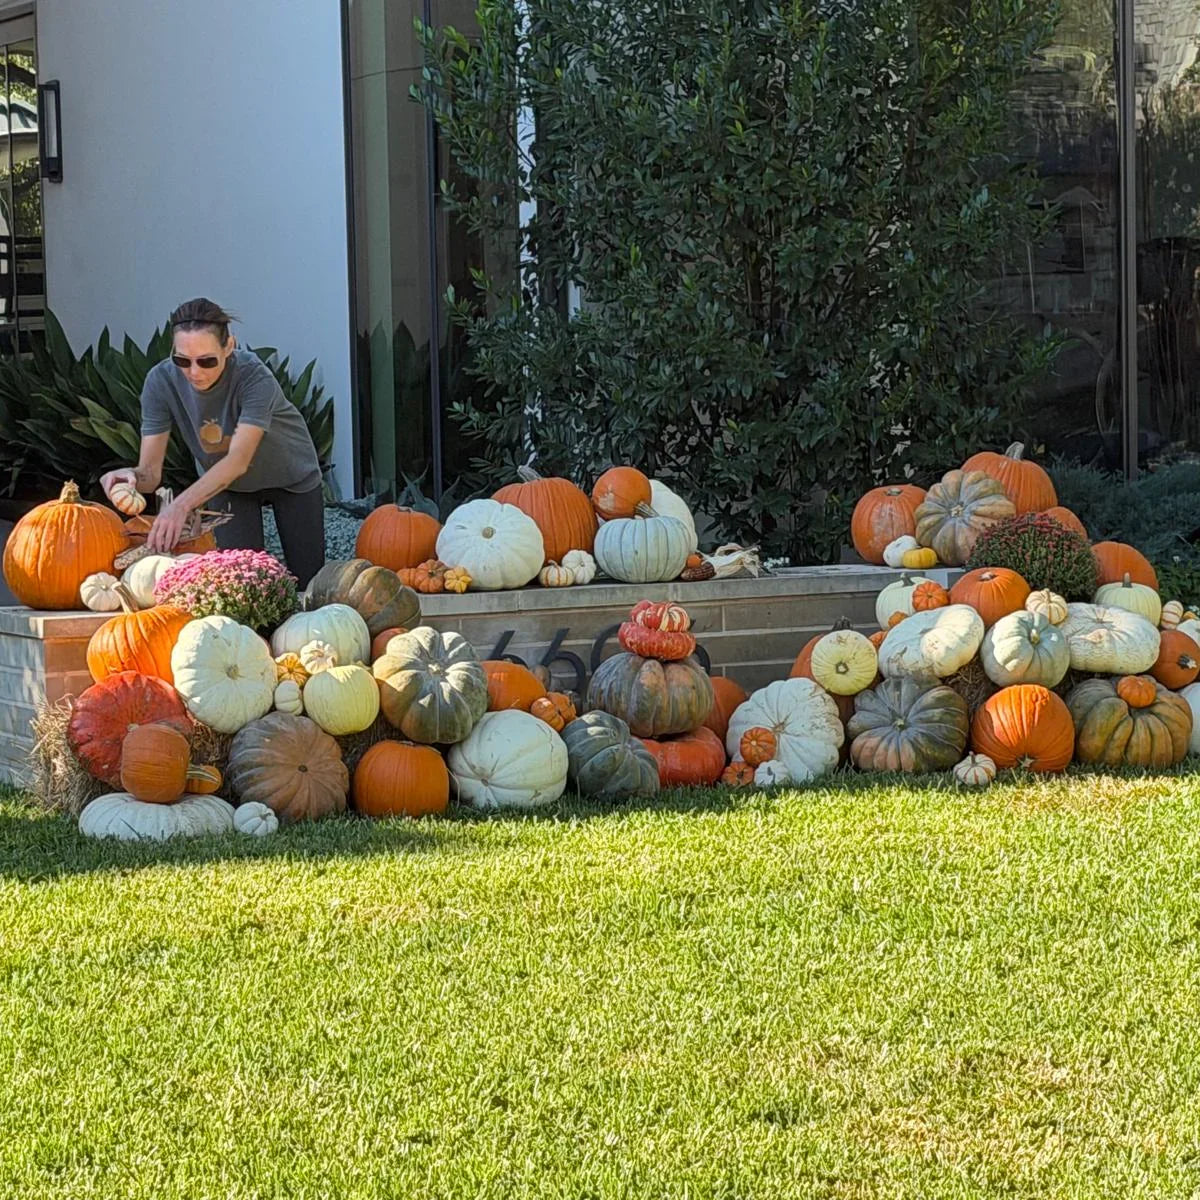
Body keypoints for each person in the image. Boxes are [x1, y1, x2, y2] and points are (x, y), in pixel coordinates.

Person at [100, 298, 326, 587]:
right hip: (228, 488)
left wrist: (181, 506)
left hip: (291, 476)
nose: (194, 372)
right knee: (241, 586)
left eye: (206, 361)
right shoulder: (160, 382)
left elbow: (238, 460)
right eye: (182, 360)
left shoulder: (254, 376)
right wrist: (131, 477)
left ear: (229, 346)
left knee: (310, 585)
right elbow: (150, 475)